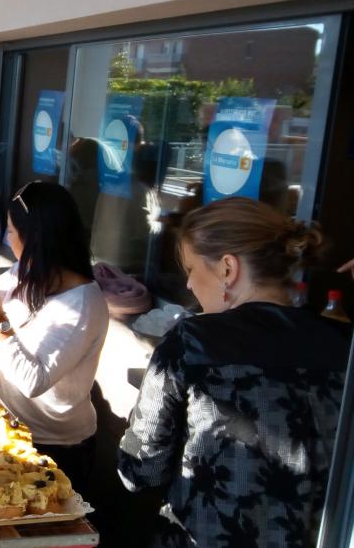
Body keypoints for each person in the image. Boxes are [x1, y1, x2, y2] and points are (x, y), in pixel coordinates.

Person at [117, 197, 351, 548]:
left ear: (228, 268)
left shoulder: (193, 340)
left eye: (191, 269)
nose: (189, 284)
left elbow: (139, 471)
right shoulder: (344, 342)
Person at [0, 181, 108, 493]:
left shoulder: (83, 304)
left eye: (11, 230)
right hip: (7, 425)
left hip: (54, 447)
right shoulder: (28, 272)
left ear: (34, 237)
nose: (7, 238)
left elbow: (33, 381)